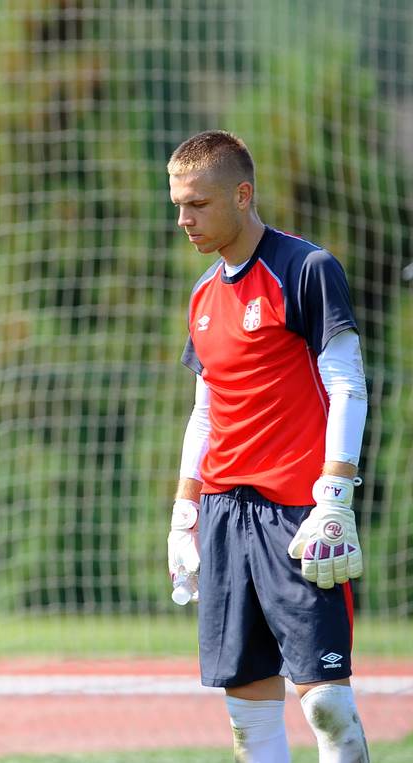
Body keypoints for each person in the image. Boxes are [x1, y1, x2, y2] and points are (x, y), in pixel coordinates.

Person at [166, 130, 370, 762]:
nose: (183, 219)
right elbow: (205, 410)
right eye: (177, 204)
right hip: (226, 515)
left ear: (242, 194)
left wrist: (334, 498)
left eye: (197, 204)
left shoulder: (307, 270)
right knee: (247, 716)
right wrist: (183, 511)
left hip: (299, 516)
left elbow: (347, 384)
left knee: (326, 706)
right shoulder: (203, 294)